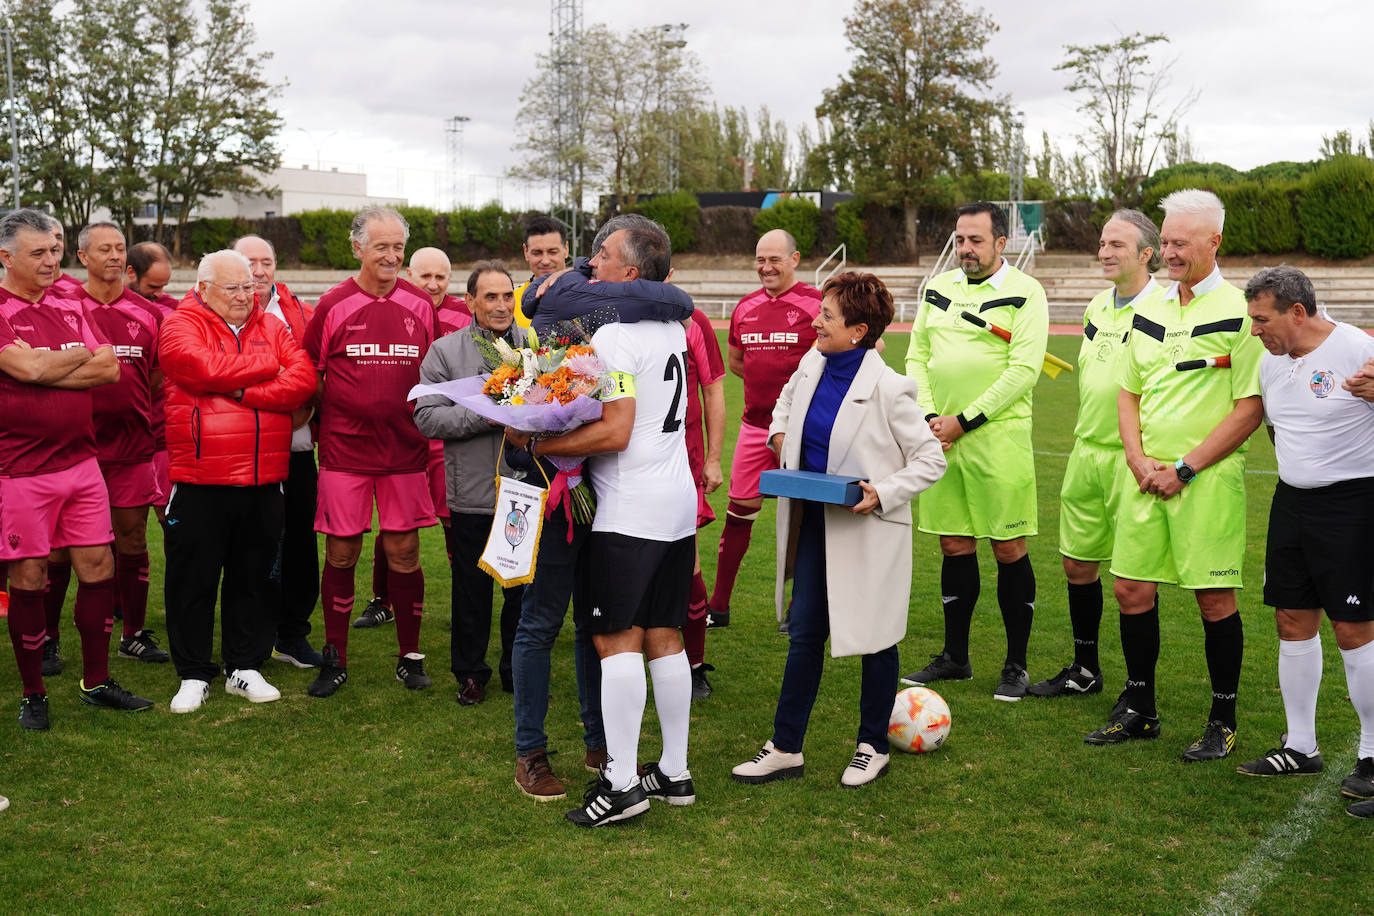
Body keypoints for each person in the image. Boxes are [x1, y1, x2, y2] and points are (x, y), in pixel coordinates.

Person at [507, 212, 695, 803]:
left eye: (605, 255)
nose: (592, 264)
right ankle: (673, 771)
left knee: (614, 640)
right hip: (676, 504)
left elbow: (614, 432)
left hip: (625, 508)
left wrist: (539, 442)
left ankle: (619, 782)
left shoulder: (616, 334)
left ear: (632, 272)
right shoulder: (675, 330)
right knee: (666, 638)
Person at [732, 272, 946, 788]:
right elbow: (783, 405)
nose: (815, 321)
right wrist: (783, 435)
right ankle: (785, 747)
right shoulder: (811, 363)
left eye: (827, 315)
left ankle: (872, 746)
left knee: (876, 639)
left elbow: (930, 458)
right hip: (814, 526)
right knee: (804, 635)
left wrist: (882, 492)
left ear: (859, 331)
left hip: (868, 531)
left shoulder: (892, 390)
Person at [1084, 189, 1263, 761]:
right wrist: (1137, 459)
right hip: (1145, 476)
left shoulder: (1241, 310)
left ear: (1214, 242)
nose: (1169, 253)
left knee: (1213, 599)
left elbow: (1249, 407)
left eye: (1180, 243)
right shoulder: (1151, 307)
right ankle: (1140, 709)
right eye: (1165, 241)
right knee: (1131, 589)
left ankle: (1223, 719)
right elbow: (1129, 391)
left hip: (1205, 479)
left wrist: (1185, 467)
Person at [0, 208, 152, 730]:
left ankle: (96, 681)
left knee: (99, 569)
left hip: (81, 463)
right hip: (20, 471)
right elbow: (33, 368)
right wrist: (58, 362)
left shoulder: (68, 303)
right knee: (31, 575)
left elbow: (107, 367)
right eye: (37, 252)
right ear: (6, 257)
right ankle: (33, 693)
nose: (50, 260)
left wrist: (43, 366)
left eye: (54, 249)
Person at [1232, 267, 1374, 814]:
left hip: (1353, 505)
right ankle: (1300, 746)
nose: (1255, 331)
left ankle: (1370, 755)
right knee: (1292, 620)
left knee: (1354, 627)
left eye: (1262, 319)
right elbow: (1277, 429)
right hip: (1293, 504)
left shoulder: (1356, 347)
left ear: (1298, 312)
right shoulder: (1270, 362)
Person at [901, 201, 1049, 701]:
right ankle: (956, 657)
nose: (965, 249)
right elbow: (917, 354)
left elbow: (1024, 370)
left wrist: (963, 421)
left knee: (1007, 547)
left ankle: (1015, 664)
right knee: (953, 544)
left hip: (996, 441)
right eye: (960, 239)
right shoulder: (938, 288)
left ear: (1000, 244)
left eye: (976, 240)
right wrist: (928, 418)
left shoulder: (1026, 292)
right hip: (940, 440)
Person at [159, 249, 315, 712]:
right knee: (193, 579)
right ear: (204, 288)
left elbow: (303, 378)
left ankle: (245, 666)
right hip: (201, 477)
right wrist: (270, 371)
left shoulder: (270, 325)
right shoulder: (180, 323)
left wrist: (242, 390)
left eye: (250, 286)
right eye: (235, 288)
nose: (246, 296)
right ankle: (192, 673)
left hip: (265, 477)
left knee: (256, 577)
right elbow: (202, 368)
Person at [302, 207, 441, 697]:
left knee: (403, 553)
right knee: (342, 552)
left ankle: (410, 654)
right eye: (380, 246)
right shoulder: (333, 304)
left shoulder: (421, 304)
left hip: (405, 452)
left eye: (398, 246)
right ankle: (334, 656)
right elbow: (311, 377)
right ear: (357, 247)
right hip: (345, 452)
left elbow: (436, 375)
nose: (391, 255)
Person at [1030, 211, 1161, 698]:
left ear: (1146, 254)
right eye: (1102, 242)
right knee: (1077, 565)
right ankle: (1085, 670)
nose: (1104, 252)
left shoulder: (1166, 310)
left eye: (1117, 245)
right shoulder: (1095, 308)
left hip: (1135, 460)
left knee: (1133, 585)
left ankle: (1138, 690)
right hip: (1086, 452)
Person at [414, 261, 524, 705]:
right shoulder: (445, 352)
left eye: (507, 296)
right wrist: (490, 408)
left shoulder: (536, 346)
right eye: (491, 297)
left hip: (525, 488)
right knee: (472, 590)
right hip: (473, 491)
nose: (501, 306)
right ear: (471, 302)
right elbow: (426, 416)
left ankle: (517, 670)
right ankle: (471, 672)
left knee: (521, 589)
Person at [64, 223, 169, 667]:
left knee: (131, 539)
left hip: (131, 448)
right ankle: (49, 636)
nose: (112, 255)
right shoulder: (64, 308)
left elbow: (158, 376)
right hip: (72, 448)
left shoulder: (149, 312)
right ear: (82, 256)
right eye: (102, 248)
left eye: (119, 248)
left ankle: (134, 633)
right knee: (58, 549)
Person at [707, 228, 822, 629]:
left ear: (795, 259)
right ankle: (718, 608)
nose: (766, 267)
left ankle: (799, 608)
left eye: (775, 259)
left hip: (803, 431)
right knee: (739, 513)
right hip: (755, 427)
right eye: (760, 259)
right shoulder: (744, 307)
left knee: (804, 519)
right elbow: (737, 361)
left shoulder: (816, 304)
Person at [356, 246, 471, 629]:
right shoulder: (390, 308)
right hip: (399, 435)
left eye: (441, 276)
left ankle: (465, 600)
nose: (434, 284)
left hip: (445, 437)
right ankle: (382, 599)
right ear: (409, 275)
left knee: (457, 518)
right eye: (426, 276)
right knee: (394, 521)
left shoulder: (464, 314)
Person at [231, 234, 324, 669]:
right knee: (250, 545)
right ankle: (249, 635)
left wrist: (297, 411)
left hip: (297, 449)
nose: (259, 271)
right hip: (243, 451)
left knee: (301, 544)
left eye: (266, 261)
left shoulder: (300, 313)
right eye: (250, 263)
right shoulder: (217, 315)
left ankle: (292, 633)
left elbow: (311, 375)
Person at [682, 304, 726, 698]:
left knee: (687, 562)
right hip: (623, 463)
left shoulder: (693, 321)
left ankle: (694, 665)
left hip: (684, 462)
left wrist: (713, 458)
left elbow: (712, 390)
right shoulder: (611, 315)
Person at [125, 241, 179, 530]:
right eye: (153, 286)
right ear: (130, 273)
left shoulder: (176, 311)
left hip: (163, 438)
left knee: (173, 524)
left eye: (164, 285)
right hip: (117, 443)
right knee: (122, 531)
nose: (159, 293)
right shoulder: (94, 306)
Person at [512, 216, 569, 329]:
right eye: (537, 253)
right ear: (525, 252)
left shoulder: (589, 295)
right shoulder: (511, 302)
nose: (545, 261)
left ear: (566, 249)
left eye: (552, 252)